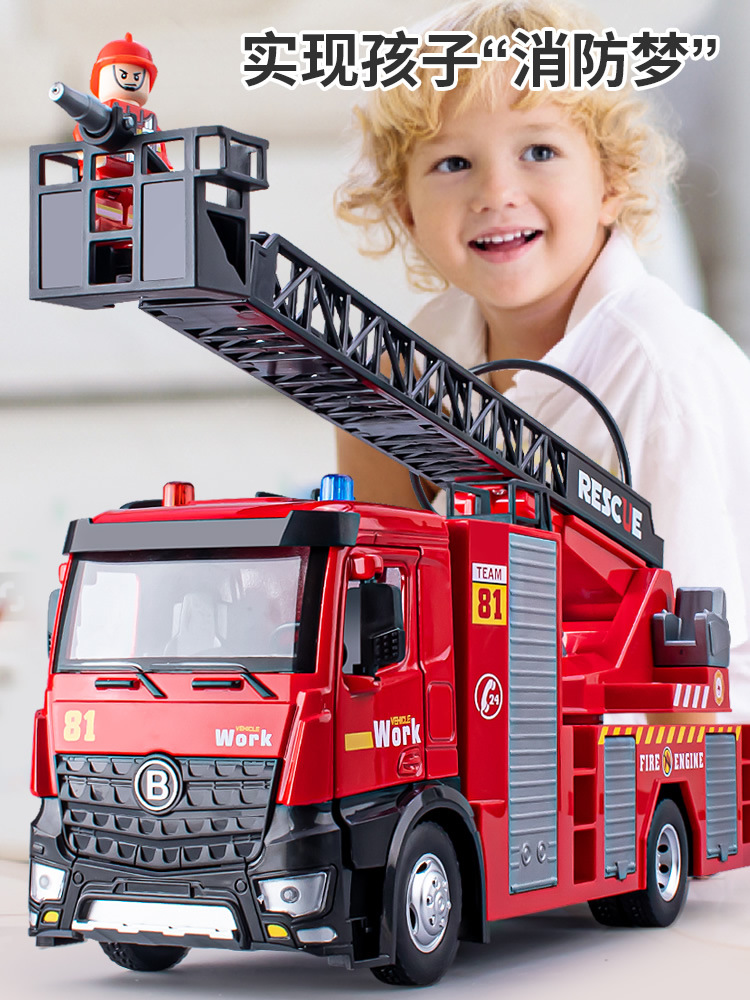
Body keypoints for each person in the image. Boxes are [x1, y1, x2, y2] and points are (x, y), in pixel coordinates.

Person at [335, 0, 750, 718]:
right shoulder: (418, 353)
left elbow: (697, 672)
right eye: (453, 163)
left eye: (539, 152)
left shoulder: (657, 369)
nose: (496, 193)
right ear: (406, 211)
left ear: (612, 182)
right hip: (515, 708)